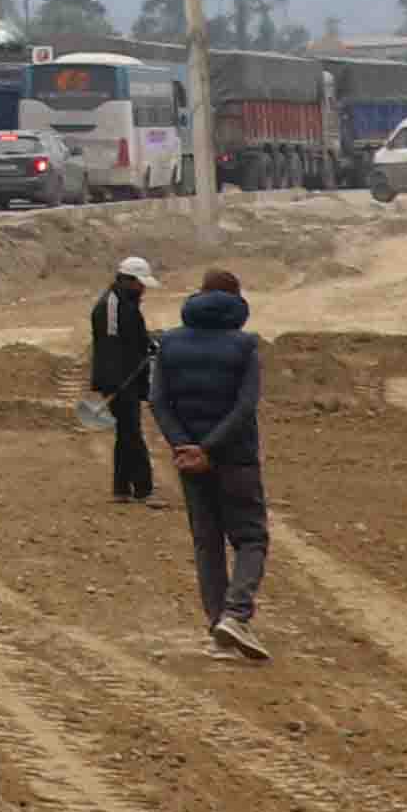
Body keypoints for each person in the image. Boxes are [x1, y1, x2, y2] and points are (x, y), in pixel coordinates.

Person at [150, 262, 270, 659]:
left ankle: (218, 621)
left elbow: (159, 402)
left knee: (208, 543)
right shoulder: (245, 345)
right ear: (237, 301)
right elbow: (245, 406)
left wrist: (185, 447)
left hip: (189, 461)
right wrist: (212, 449)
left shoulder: (169, 343)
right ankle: (236, 615)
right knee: (251, 538)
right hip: (235, 458)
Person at [85, 255, 159, 505]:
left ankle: (121, 488)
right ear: (130, 280)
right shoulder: (112, 306)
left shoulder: (124, 302)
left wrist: (149, 345)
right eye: (141, 283)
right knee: (132, 434)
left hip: (127, 378)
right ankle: (144, 490)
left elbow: (132, 340)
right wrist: (117, 384)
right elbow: (113, 349)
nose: (144, 289)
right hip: (120, 381)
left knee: (126, 434)